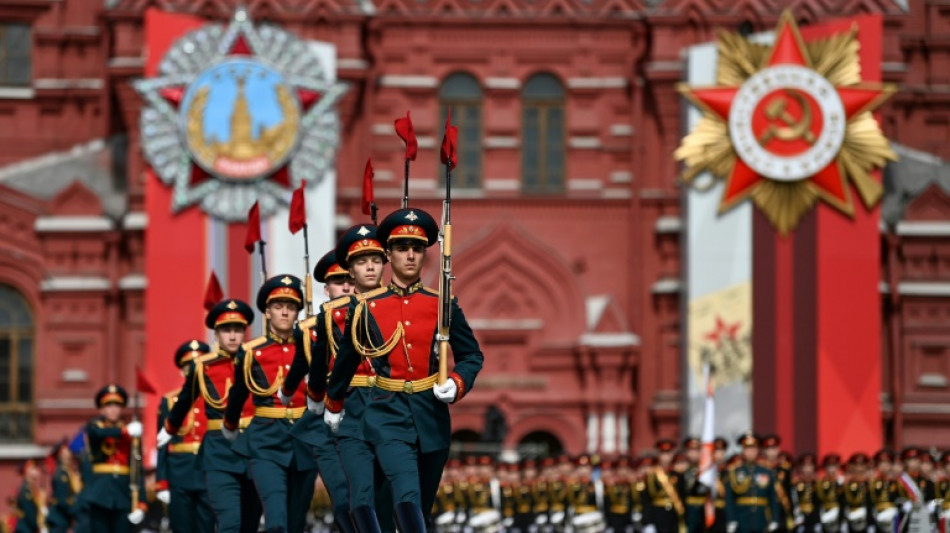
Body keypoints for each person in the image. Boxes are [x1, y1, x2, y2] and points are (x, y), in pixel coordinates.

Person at [325, 207, 485, 531]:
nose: (410, 255)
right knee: (406, 493)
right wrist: (333, 403)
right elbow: (346, 361)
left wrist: (457, 382)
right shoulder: (366, 306)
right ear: (388, 254)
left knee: (419, 506)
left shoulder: (442, 304)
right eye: (402, 248)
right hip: (387, 413)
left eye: (417, 249)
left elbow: (471, 355)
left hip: (432, 415)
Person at [224, 276, 317, 533]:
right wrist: (230, 423)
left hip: (304, 438)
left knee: (297, 520)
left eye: (290, 306)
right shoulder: (251, 351)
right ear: (267, 312)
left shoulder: (312, 346)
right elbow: (239, 392)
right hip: (266, 439)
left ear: (298, 311)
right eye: (278, 306)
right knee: (276, 518)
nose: (285, 312)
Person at [159, 299, 261, 533]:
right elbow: (185, 399)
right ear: (216, 334)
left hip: (253, 448)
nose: (233, 336)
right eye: (227, 330)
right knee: (229, 522)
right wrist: (170, 427)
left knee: (250, 523)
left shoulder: (257, 362)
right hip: (219, 450)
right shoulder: (203, 366)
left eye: (238, 330)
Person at [155, 339, 215, 533]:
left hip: (208, 468)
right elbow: (162, 444)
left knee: (207, 526)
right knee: (181, 527)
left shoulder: (216, 398)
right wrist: (161, 482)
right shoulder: (170, 401)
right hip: (179, 472)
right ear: (182, 371)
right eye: (190, 366)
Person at [80, 385, 146, 533]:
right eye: (109, 406)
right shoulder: (96, 426)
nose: (113, 410)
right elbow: (97, 433)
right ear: (102, 410)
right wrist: (124, 431)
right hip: (100, 493)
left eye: (117, 405)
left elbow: (137, 469)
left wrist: (142, 502)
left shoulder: (131, 434)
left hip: (123, 494)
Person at [724, 432, 779, 533]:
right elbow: (729, 499)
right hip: (741, 519)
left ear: (758, 450)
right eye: (747, 449)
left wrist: (775, 519)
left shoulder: (766, 471)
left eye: (753, 449)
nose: (751, 452)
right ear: (743, 450)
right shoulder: (735, 472)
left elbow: (772, 497)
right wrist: (731, 519)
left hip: (761, 519)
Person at [641, 439, 685, 533]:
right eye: (663, 453)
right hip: (658, 515)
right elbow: (647, 500)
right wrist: (647, 522)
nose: (665, 457)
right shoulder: (652, 475)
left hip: (674, 515)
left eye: (668, 453)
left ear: (672, 454)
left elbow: (682, 496)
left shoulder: (678, 474)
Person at [46, 441, 81, 533]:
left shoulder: (67, 472)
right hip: (58, 518)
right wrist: (75, 513)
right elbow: (62, 500)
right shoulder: (62, 474)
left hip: (61, 518)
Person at [13, 459, 45, 533]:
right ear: (27, 471)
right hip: (25, 528)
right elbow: (29, 512)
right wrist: (37, 526)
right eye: (33, 468)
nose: (37, 471)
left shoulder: (32, 489)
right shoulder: (26, 490)